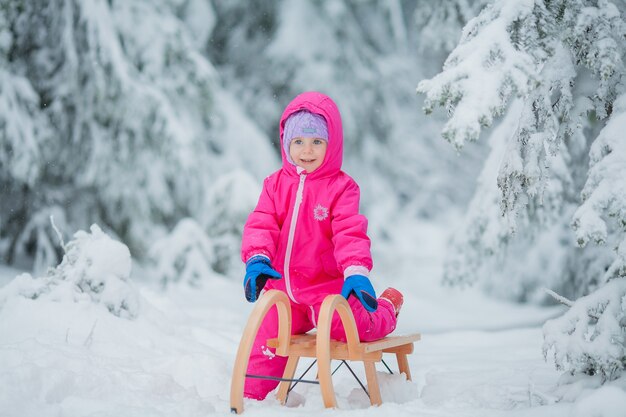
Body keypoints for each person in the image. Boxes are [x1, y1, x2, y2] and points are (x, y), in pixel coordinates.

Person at [240, 91, 404, 400]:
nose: (307, 150)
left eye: (317, 141)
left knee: (360, 327)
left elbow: (349, 232)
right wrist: (258, 258)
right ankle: (251, 399)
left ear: (332, 144)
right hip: (284, 293)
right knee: (265, 340)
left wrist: (356, 272)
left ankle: (387, 308)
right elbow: (261, 222)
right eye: (298, 141)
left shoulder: (341, 188)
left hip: (328, 293)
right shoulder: (274, 185)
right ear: (286, 142)